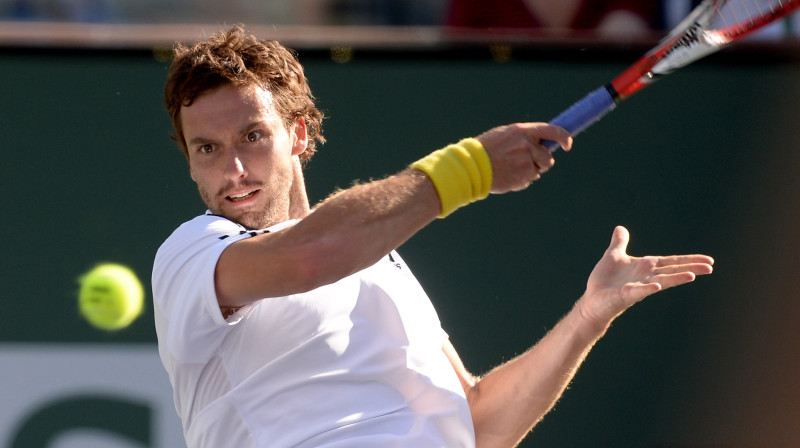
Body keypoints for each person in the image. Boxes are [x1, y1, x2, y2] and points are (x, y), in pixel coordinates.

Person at [152, 25, 714, 448]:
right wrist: (468, 168)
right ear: (190, 161)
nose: (234, 170)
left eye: (252, 136)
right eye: (208, 148)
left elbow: (479, 421)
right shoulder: (192, 254)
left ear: (297, 134)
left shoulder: (379, 261)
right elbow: (308, 256)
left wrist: (587, 317)